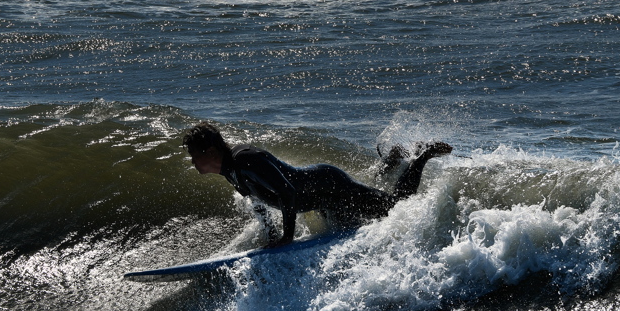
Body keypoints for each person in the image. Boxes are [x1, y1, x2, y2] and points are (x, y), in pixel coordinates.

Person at [182, 122, 452, 246]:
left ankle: (421, 155)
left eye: (194, 155)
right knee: (366, 217)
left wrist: (286, 238)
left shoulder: (246, 161)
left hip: (330, 185)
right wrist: (271, 237)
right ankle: (392, 164)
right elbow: (257, 202)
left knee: (395, 208)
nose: (192, 162)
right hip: (323, 199)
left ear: (210, 152)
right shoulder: (230, 170)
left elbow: (287, 192)